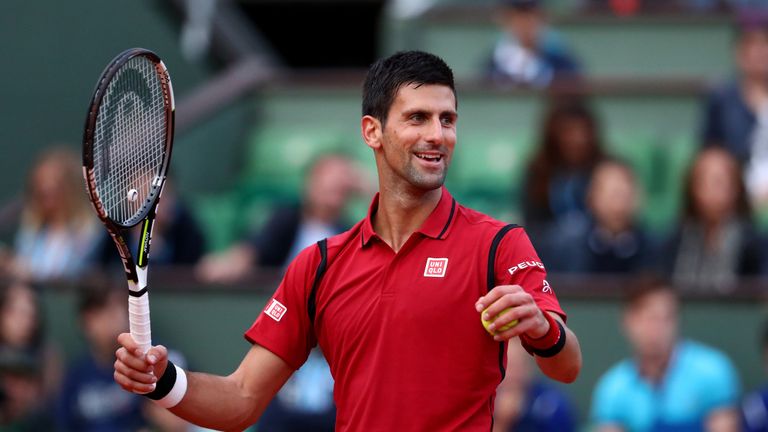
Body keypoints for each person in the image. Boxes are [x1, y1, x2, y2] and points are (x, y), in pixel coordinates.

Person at [113, 50, 582, 431]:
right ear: (372, 131)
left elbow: (567, 366)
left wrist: (543, 330)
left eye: (448, 119)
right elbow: (241, 399)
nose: (437, 135)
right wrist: (163, 382)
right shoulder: (317, 265)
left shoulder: (499, 243)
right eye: (417, 118)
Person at [590, 277, 740, 431]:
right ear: (628, 321)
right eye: (649, 317)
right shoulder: (613, 388)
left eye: (666, 317)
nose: (657, 327)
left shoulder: (712, 370)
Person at [196, 154, 363, 283]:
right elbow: (254, 250)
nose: (334, 182)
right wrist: (226, 264)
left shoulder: (349, 232)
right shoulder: (286, 219)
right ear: (309, 183)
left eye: (342, 178)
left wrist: (372, 192)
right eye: (326, 175)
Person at [666, 147, 766, 293]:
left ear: (736, 187)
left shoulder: (755, 247)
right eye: (704, 180)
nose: (711, 188)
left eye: (719, 181)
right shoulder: (674, 243)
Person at [56, 283, 147, 431]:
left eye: (115, 310)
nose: (112, 320)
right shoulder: (75, 376)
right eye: (101, 313)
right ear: (85, 321)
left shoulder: (148, 364)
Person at [700, 10, 768, 205]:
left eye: (765, 45)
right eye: (752, 46)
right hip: (733, 192)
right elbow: (708, 153)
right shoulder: (721, 99)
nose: (760, 53)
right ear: (739, 53)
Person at [10, 147, 101, 281]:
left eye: (53, 190)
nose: (45, 195)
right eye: (39, 191)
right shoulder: (30, 230)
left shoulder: (90, 231)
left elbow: (78, 274)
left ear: (70, 188)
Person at [550, 158, 655, 273]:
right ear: (591, 198)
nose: (618, 206)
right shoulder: (565, 248)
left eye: (625, 196)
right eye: (612, 196)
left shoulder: (654, 251)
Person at [487, 0, 581, 88]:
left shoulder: (562, 63)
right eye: (518, 18)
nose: (525, 25)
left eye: (531, 18)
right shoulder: (492, 64)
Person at [493, 339, 577, 432]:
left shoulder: (552, 404)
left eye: (519, 365)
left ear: (530, 367)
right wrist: (501, 422)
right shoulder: (485, 400)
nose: (513, 374)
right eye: (508, 365)